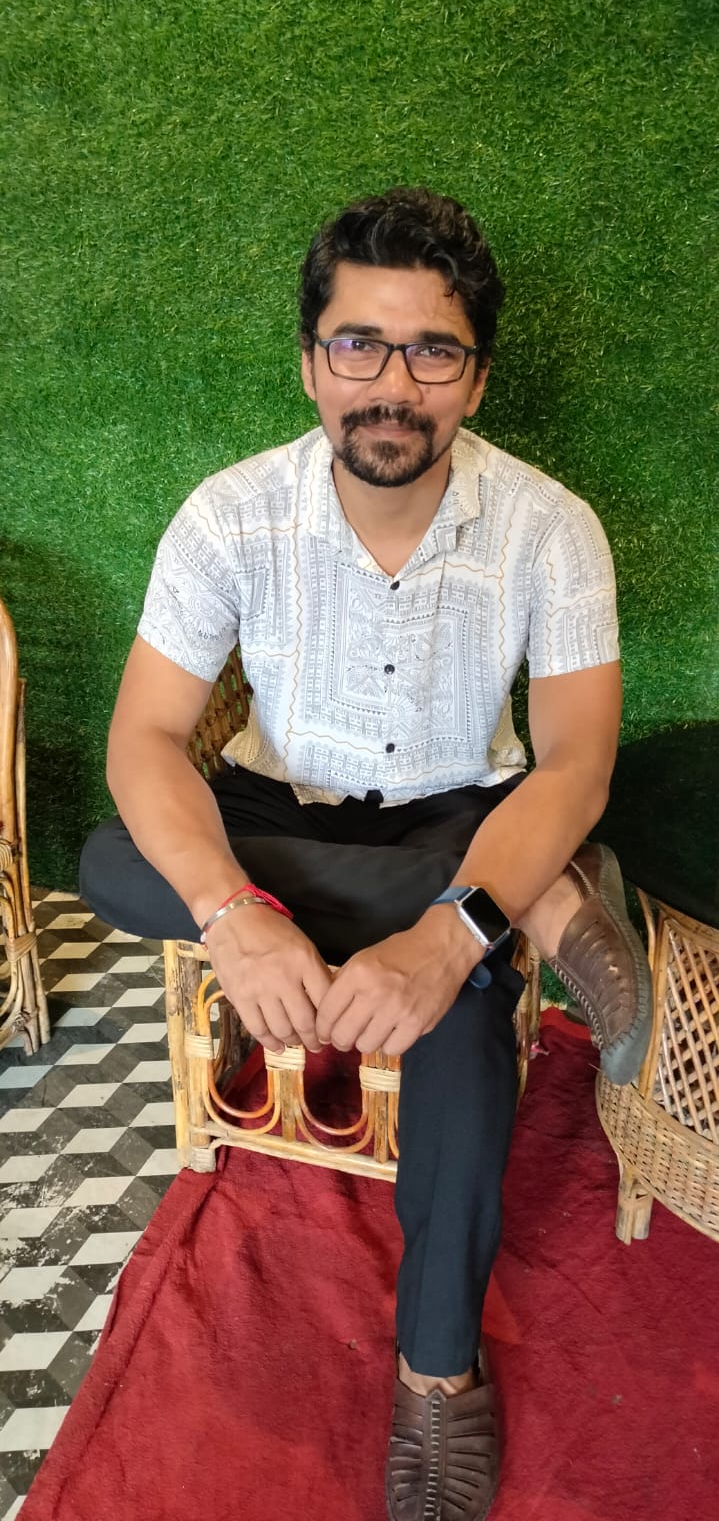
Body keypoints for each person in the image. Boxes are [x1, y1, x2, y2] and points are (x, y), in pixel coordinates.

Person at [80, 187, 652, 1521]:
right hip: (277, 818)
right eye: (359, 344)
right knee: (116, 858)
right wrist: (234, 911)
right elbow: (146, 739)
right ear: (310, 362)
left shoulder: (551, 526)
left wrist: (448, 936)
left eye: (432, 351)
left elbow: (574, 764)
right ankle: (537, 907)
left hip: (460, 816)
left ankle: (436, 1375)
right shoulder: (229, 515)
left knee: (458, 1007)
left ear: (477, 377)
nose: (393, 385)